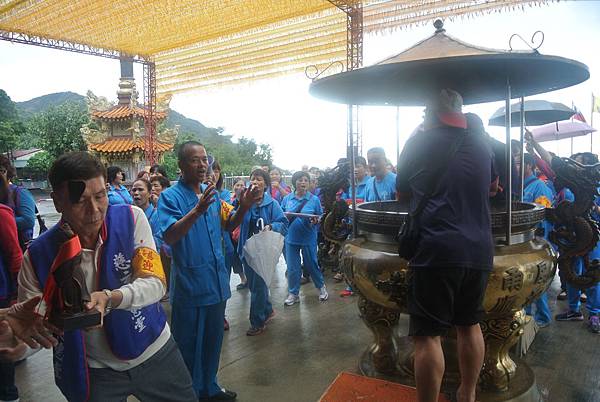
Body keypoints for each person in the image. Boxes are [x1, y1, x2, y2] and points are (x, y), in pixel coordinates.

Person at [18, 152, 196, 402]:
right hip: (95, 370)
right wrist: (34, 330)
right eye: (80, 201)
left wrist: (112, 298)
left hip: (154, 350)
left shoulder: (131, 218)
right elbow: (31, 322)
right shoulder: (38, 256)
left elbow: (155, 283)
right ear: (58, 201)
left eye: (100, 196)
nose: (94, 210)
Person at [396, 89, 497, 402]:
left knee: (427, 336)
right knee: (469, 324)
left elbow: (401, 195)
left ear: (429, 113)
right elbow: (493, 188)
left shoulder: (417, 142)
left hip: (436, 250)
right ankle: (467, 394)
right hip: (479, 248)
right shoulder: (484, 144)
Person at [159, 141, 260, 400]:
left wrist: (245, 206)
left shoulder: (212, 193)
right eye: (195, 160)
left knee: (213, 341)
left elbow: (229, 224)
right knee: (188, 345)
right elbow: (170, 236)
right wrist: (197, 210)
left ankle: (210, 388)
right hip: (191, 285)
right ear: (181, 166)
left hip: (215, 283)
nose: (203, 165)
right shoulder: (170, 197)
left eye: (205, 159)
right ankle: (189, 393)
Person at [236, 169, 288, 335]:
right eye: (252, 179)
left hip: (263, 253)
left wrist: (272, 226)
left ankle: (257, 322)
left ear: (265, 184)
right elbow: (234, 217)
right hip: (247, 250)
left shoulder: (272, 204)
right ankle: (267, 309)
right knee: (255, 285)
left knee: (258, 286)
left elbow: (283, 223)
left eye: (259, 179)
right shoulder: (245, 202)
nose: (255, 182)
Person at [281, 171, 327, 306]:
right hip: (291, 238)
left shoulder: (314, 200)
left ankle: (321, 287)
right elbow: (281, 217)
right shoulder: (287, 199)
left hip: (308, 237)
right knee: (293, 267)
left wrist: (315, 220)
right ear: (294, 182)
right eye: (300, 180)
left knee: (311, 265)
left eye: (306, 180)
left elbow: (319, 216)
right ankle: (293, 294)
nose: (303, 183)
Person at [520, 153, 554, 328]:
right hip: (523, 243)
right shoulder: (519, 186)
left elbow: (545, 217)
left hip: (536, 242)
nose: (515, 167)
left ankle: (542, 318)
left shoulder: (539, 187)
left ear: (529, 166)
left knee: (536, 282)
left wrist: (540, 242)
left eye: (519, 163)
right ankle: (526, 317)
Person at [0, 173, 24, 401]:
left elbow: (15, 256)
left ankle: (8, 394)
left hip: (2, 294)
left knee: (3, 346)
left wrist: (17, 297)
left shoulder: (2, 214)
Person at [0, 155, 36, 250]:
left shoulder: (20, 192)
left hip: (19, 248)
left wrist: (5, 222)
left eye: (2, 171)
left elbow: (28, 220)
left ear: (8, 173)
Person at [230, 178, 248, 290]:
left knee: (247, 257)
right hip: (232, 233)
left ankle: (250, 277)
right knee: (235, 258)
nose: (240, 187)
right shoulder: (230, 200)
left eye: (242, 185)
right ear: (233, 187)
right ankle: (243, 279)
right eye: (237, 185)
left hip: (244, 233)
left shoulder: (248, 200)